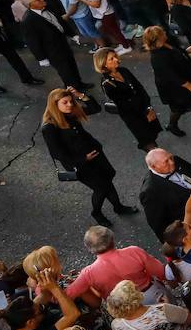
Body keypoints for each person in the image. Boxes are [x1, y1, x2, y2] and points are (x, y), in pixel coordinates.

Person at [41, 88, 136, 226]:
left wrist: (80, 95)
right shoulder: (49, 127)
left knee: (108, 179)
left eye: (70, 101)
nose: (70, 105)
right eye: (65, 102)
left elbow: (95, 108)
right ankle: (97, 212)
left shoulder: (70, 113)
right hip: (80, 164)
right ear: (54, 105)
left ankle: (118, 207)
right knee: (101, 187)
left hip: (95, 154)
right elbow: (57, 153)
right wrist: (83, 159)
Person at [142, 25, 191, 135]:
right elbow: (170, 75)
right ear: (157, 39)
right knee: (178, 107)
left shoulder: (167, 44)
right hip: (175, 87)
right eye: (162, 33)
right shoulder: (157, 57)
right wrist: (188, 85)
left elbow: (175, 56)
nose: (165, 33)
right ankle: (172, 125)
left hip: (183, 80)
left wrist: (187, 51)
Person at [95, 48, 161, 151]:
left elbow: (139, 88)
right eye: (111, 59)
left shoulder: (123, 70)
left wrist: (149, 107)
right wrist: (145, 113)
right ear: (104, 64)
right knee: (147, 141)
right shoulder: (107, 83)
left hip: (144, 107)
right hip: (133, 117)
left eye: (115, 56)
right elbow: (123, 106)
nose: (116, 59)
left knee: (153, 133)